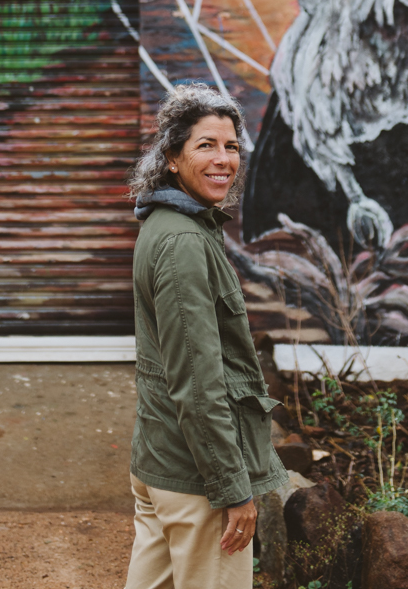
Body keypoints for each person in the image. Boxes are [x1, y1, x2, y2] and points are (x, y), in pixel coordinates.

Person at [124, 83, 287, 589]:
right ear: (172, 157)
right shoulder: (182, 242)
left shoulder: (172, 224)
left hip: (164, 461)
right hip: (197, 479)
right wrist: (232, 488)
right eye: (205, 145)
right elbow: (197, 381)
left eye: (231, 146)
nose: (224, 159)